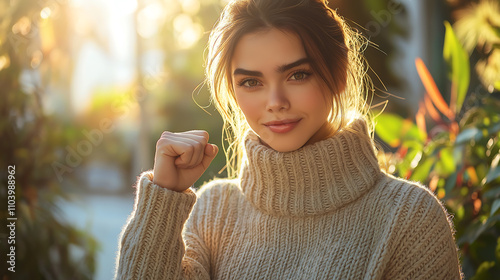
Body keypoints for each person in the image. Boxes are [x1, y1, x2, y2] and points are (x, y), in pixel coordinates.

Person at [115, 0, 463, 279]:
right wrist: (163, 198)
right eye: (251, 82)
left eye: (298, 74)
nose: (275, 102)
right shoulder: (213, 211)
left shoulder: (409, 218)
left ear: (339, 74)